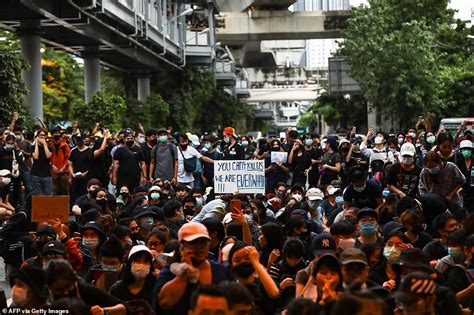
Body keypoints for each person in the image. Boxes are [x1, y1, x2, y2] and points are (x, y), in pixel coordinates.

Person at [153, 222, 232, 314]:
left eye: (203, 242)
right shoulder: (170, 272)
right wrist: (183, 275)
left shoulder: (221, 271)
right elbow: (164, 303)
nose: (200, 247)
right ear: (181, 246)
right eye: (193, 243)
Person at [46, 260, 127, 314]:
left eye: (68, 288)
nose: (65, 293)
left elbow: (124, 308)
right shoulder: (43, 295)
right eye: (59, 290)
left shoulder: (86, 290)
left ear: (74, 281)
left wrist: (104, 311)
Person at [109, 245, 157, 311]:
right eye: (137, 261)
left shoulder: (155, 289)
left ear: (150, 266)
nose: (141, 265)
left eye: (145, 262)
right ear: (130, 264)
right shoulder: (117, 289)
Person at [49, 127, 71, 195]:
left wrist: (63, 167)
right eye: (55, 133)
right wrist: (52, 166)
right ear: (52, 135)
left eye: (58, 133)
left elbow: (68, 157)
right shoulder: (49, 145)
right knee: (54, 191)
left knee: (65, 191)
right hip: (53, 172)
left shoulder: (64, 145)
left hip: (64, 172)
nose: (57, 134)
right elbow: (47, 158)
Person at [31, 128, 53, 195]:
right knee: (37, 196)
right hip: (35, 174)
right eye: (41, 135)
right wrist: (37, 144)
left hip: (47, 175)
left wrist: (44, 144)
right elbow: (35, 157)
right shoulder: (32, 147)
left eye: (44, 135)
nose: (42, 137)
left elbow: (48, 156)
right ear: (37, 136)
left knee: (48, 195)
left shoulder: (50, 147)